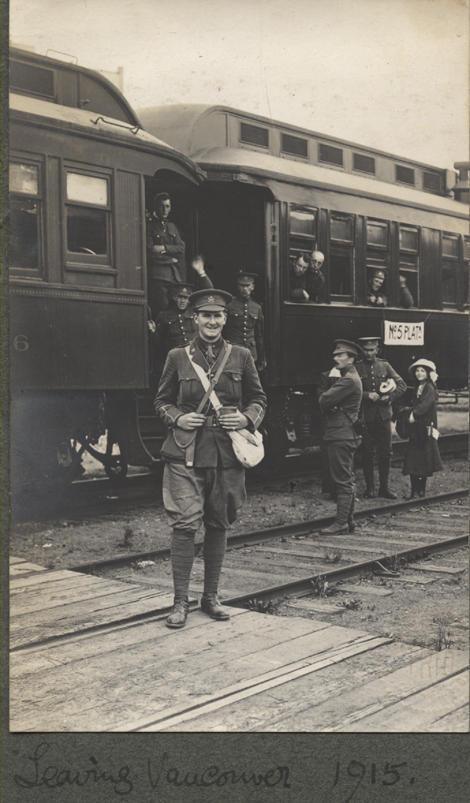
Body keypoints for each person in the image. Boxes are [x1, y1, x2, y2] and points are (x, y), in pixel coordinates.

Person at [154, 289, 267, 628]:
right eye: (206, 315)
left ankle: (211, 597)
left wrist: (246, 419)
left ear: (225, 319)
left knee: (219, 523)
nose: (212, 321)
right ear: (195, 319)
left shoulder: (241, 355)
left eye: (218, 316)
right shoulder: (177, 356)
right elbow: (161, 402)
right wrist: (177, 418)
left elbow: (259, 399)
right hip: (185, 451)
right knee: (185, 525)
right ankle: (179, 603)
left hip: (226, 453)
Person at [318, 340, 363, 534]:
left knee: (342, 480)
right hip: (344, 432)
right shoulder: (351, 377)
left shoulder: (347, 380)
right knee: (346, 477)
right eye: (335, 355)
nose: (335, 358)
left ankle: (341, 523)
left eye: (340, 355)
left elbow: (323, 399)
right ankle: (349, 520)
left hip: (340, 433)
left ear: (351, 358)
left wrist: (331, 389)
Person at [356, 336, 406, 498]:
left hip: (384, 417)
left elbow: (402, 385)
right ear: (361, 350)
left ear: (377, 350)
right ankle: (370, 489)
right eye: (365, 350)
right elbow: (350, 390)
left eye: (372, 350)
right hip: (366, 417)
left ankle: (384, 488)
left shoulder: (384, 365)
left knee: (386, 453)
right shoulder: (356, 368)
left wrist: (389, 398)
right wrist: (366, 395)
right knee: (367, 453)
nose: (368, 353)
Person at [154, 259, 214, 356]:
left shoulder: (195, 311)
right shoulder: (165, 316)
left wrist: (201, 272)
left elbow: (209, 292)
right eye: (180, 297)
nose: (182, 301)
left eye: (186, 298)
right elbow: (158, 344)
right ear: (174, 298)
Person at [402, 358, 443, 498]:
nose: (419, 373)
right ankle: (415, 491)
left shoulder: (429, 388)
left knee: (423, 459)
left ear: (428, 373)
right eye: (417, 371)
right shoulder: (417, 387)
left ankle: (420, 491)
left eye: (422, 371)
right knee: (414, 459)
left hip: (424, 428)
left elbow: (425, 405)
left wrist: (414, 413)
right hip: (417, 429)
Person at [147, 192, 186, 314]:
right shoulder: (149, 226)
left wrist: (164, 248)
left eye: (168, 206)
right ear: (156, 207)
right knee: (162, 310)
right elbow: (150, 251)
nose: (165, 210)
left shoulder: (171, 226)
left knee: (174, 308)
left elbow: (181, 248)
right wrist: (171, 259)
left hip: (174, 276)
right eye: (161, 206)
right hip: (158, 276)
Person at [224, 271, 267, 371]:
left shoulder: (257, 307)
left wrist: (262, 357)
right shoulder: (229, 305)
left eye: (247, 286)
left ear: (253, 287)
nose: (244, 289)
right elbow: (223, 331)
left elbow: (259, 335)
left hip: (251, 353)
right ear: (238, 286)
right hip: (233, 352)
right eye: (242, 285)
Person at [316, 365, 341, 497]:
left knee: (343, 456)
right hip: (329, 421)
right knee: (329, 455)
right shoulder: (326, 376)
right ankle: (332, 489)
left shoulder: (352, 375)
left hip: (345, 421)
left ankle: (341, 490)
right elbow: (321, 396)